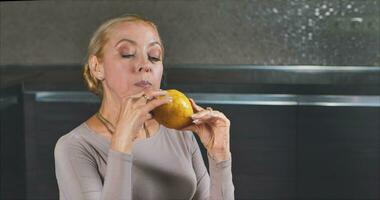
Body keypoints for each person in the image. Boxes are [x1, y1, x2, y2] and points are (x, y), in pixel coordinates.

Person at [54, 14, 234, 200]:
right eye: (127, 54)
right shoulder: (75, 146)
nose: (145, 65)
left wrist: (220, 156)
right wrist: (122, 141)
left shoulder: (181, 133)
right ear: (97, 67)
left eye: (154, 57)